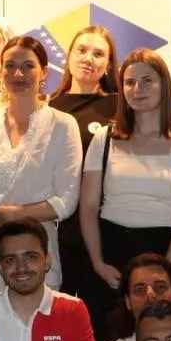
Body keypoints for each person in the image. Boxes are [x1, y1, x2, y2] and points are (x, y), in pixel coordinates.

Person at [80, 49, 171, 341]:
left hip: (162, 249)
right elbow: (87, 207)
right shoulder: (104, 139)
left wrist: (164, 270)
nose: (138, 89)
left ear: (164, 85)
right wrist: (98, 263)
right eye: (130, 82)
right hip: (109, 253)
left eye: (147, 81)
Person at [0, 36, 83, 292]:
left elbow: (66, 201)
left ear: (44, 72)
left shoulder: (62, 124)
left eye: (28, 66)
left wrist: (7, 214)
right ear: (0, 71)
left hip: (37, 248)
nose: (18, 73)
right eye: (10, 65)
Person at [49, 24, 120, 304]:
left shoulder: (120, 107)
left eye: (98, 53)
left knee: (101, 311)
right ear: (68, 56)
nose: (88, 58)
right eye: (81, 50)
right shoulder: (48, 107)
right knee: (59, 309)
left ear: (109, 64)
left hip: (104, 228)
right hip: (59, 228)